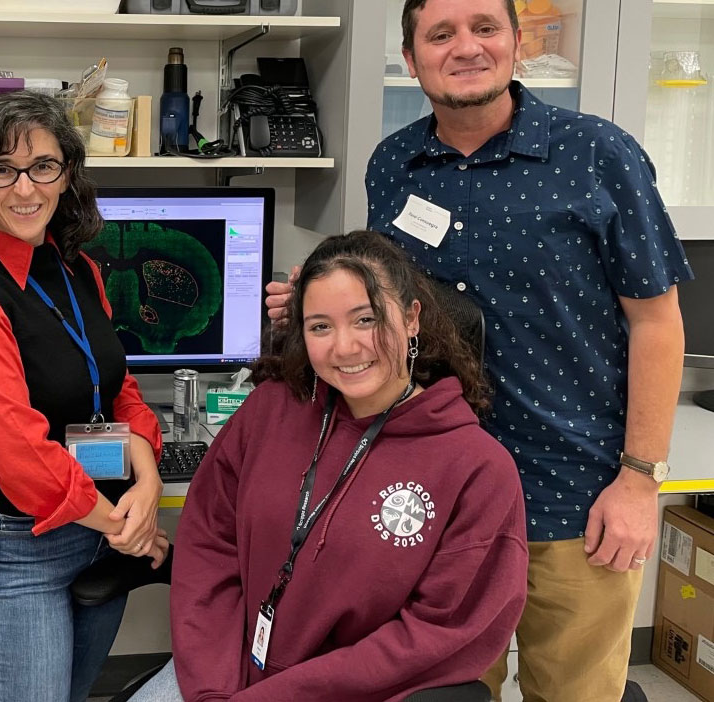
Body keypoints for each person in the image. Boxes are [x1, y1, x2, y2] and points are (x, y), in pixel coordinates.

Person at [267, 0, 692, 700]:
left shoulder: (597, 155)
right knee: (444, 692)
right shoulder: (395, 163)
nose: (464, 47)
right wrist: (325, 300)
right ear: (411, 58)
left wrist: (638, 481)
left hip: (571, 497)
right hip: (432, 496)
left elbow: (658, 323)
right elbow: (393, 300)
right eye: (439, 35)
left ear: (516, 43)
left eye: (484, 27)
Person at [131, 230, 527, 702]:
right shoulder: (269, 411)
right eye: (320, 326)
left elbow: (438, 636)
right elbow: (208, 545)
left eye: (366, 320)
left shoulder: (477, 470)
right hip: (225, 673)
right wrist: (214, 687)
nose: (344, 347)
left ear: (412, 318)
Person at [0, 91, 165, 702]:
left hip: (99, 533)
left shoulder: (78, 268)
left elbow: (121, 389)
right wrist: (127, 528)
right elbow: (19, 453)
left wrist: (148, 484)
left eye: (43, 167)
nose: (25, 188)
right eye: (2, 169)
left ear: (67, 175)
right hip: (21, 548)